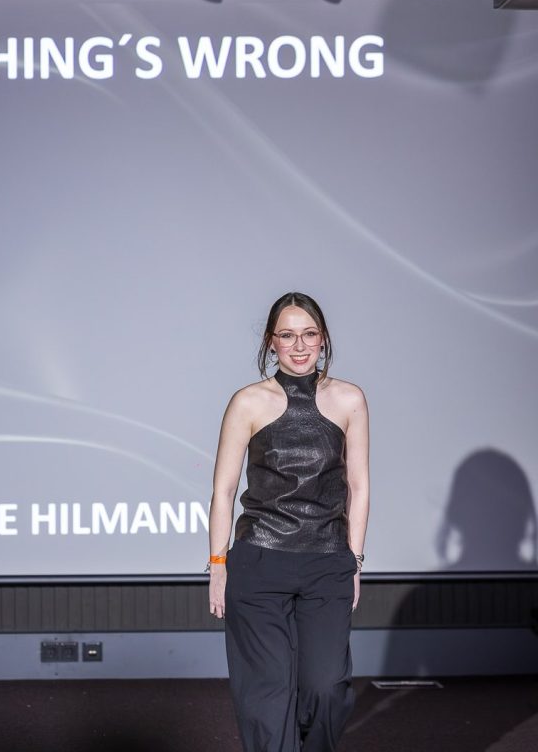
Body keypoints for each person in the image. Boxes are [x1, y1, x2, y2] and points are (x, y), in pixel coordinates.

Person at [208, 292, 369, 752]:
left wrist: (355, 561)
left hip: (327, 562)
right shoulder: (248, 402)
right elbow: (223, 491)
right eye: (287, 335)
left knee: (326, 688)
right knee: (267, 699)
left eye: (309, 334)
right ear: (271, 342)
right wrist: (217, 565)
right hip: (260, 562)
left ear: (323, 339)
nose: (299, 346)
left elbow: (358, 486)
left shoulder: (349, 399)